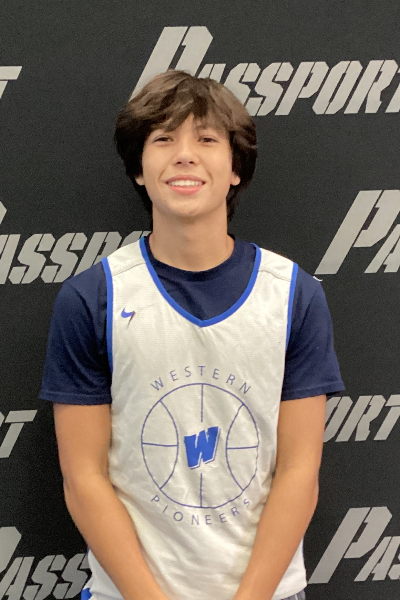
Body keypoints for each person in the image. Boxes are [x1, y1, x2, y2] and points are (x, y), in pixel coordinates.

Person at [40, 69, 344, 600]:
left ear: (235, 168)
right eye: (163, 139)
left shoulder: (293, 294)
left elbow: (299, 470)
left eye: (206, 139)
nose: (184, 155)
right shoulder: (92, 298)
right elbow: (83, 478)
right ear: (139, 169)